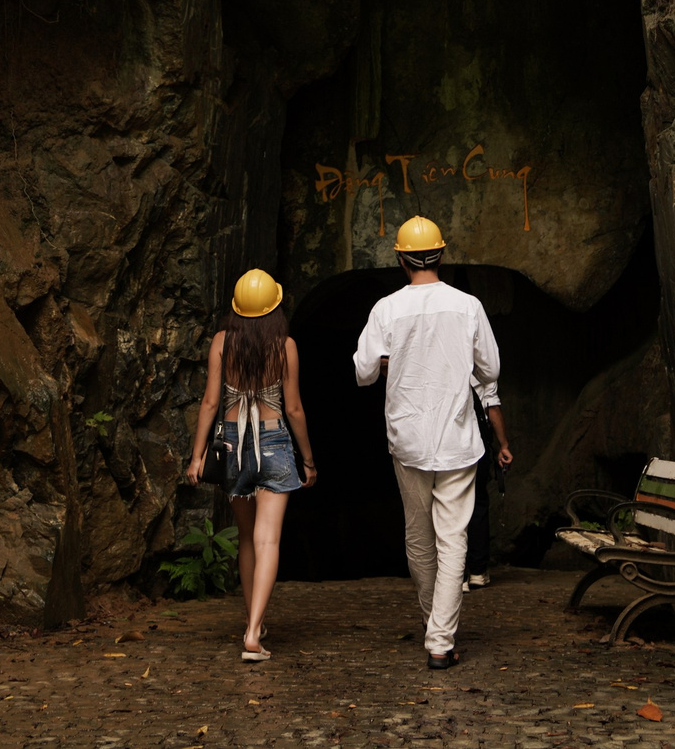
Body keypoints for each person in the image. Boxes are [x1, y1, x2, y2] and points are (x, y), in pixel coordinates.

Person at [354, 216, 510, 670]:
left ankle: (434, 625)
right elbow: (491, 370)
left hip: (407, 439)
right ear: (441, 255)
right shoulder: (468, 306)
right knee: (453, 537)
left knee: (418, 537)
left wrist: (393, 362)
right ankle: (440, 638)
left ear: (400, 258)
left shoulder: (386, 309)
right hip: (458, 438)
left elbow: (363, 371)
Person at [187, 268, 317, 662]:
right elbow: (292, 407)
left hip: (232, 444)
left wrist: (196, 457)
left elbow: (210, 402)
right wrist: (307, 460)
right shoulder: (285, 346)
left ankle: (253, 625)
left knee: (246, 538)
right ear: (275, 306)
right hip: (275, 441)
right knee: (268, 540)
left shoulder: (222, 343)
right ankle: (253, 633)